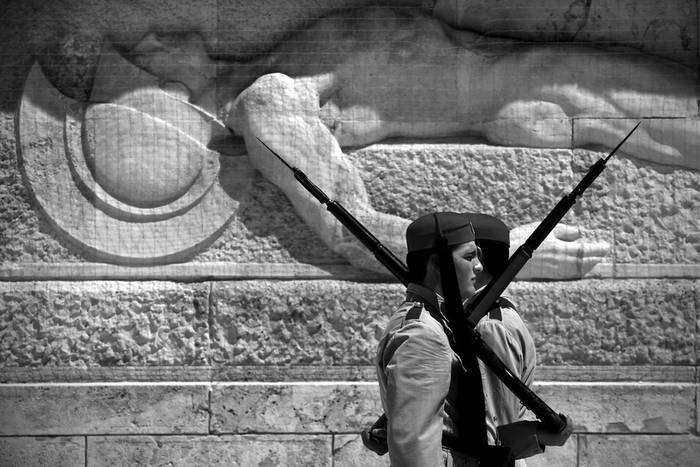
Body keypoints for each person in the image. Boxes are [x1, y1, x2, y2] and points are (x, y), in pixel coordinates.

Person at [375, 211, 573, 466]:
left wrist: (537, 435)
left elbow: (485, 429)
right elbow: (417, 444)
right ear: (438, 263)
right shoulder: (423, 334)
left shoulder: (450, 324)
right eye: (469, 256)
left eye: (478, 255)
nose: (478, 266)